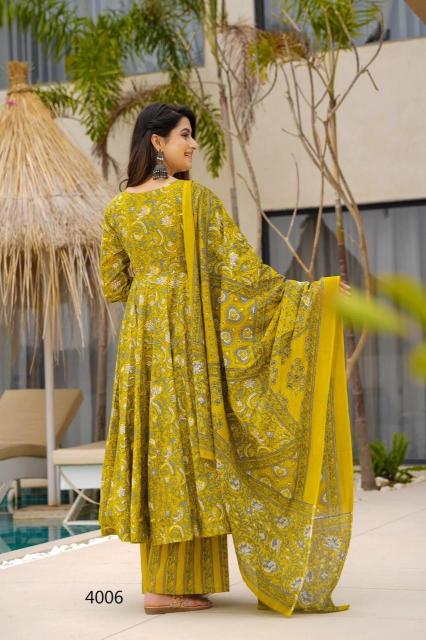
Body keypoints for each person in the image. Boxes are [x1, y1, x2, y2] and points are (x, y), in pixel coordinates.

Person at [98, 102, 354, 616]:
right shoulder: (193, 200)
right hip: (189, 342)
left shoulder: (117, 209)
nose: (193, 144)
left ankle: (166, 584)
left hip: (142, 348)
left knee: (163, 450)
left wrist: (154, 288)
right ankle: (164, 591)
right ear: (157, 142)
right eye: (184, 135)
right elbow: (244, 276)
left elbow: (113, 285)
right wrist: (312, 295)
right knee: (193, 451)